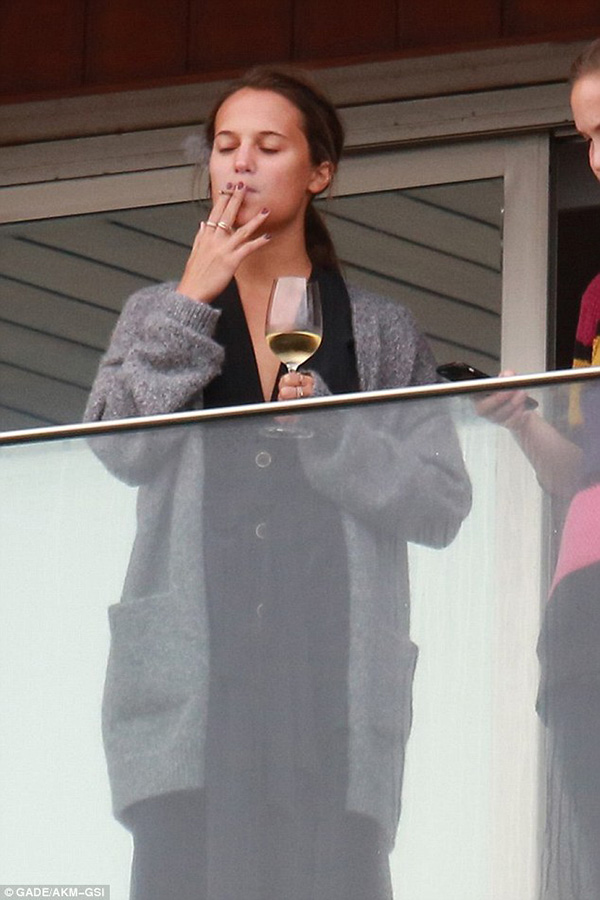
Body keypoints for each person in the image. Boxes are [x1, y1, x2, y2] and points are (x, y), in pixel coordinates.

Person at [85, 66, 472, 900]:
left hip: (330, 687)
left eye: (268, 146)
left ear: (319, 172)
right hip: (192, 690)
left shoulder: (378, 328)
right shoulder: (159, 310)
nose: (241, 164)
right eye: (226, 146)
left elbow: (442, 500)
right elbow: (117, 445)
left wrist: (333, 433)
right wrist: (191, 298)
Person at [477, 38, 600, 898]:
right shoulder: (596, 297)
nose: (598, 157)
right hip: (586, 607)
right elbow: (578, 476)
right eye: (589, 137)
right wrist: (521, 419)